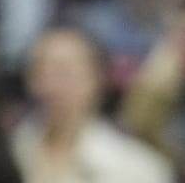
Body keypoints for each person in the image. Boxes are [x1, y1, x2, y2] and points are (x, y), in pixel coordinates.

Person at [11, 28, 173, 183]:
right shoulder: (15, 149)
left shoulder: (138, 168)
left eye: (63, 71)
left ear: (97, 78)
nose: (48, 83)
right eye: (39, 70)